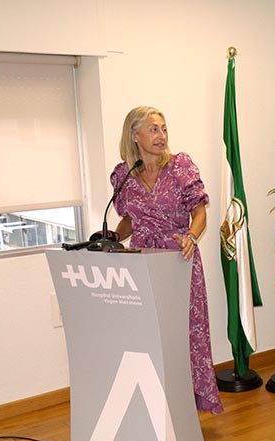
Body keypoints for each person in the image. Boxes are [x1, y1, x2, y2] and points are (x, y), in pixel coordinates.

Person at [110, 106, 223, 415]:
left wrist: (192, 236)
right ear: (135, 136)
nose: (161, 135)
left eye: (163, 128)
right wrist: (110, 238)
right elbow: (131, 220)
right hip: (142, 262)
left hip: (177, 259)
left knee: (186, 332)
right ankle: (153, 401)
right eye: (153, 129)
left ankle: (186, 403)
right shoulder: (123, 175)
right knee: (149, 334)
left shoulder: (180, 167)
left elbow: (199, 211)